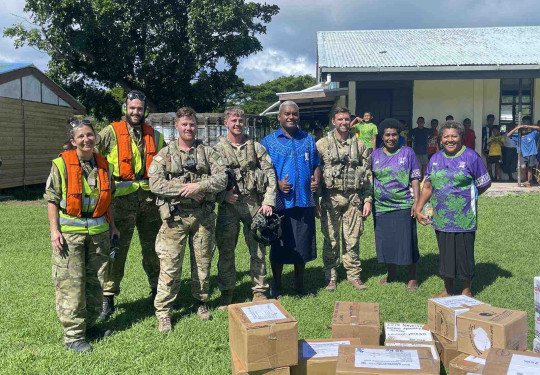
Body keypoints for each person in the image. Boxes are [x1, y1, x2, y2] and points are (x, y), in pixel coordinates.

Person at [148, 107, 227, 331]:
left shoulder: (208, 152)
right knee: (170, 266)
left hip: (203, 216)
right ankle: (164, 312)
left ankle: (201, 302)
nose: (189, 128)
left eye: (192, 124)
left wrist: (200, 186)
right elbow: (155, 183)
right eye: (184, 124)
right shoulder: (166, 154)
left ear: (197, 126)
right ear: (177, 126)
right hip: (175, 218)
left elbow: (222, 178)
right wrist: (187, 189)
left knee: (202, 264)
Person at [44, 119, 119, 352]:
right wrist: (54, 231)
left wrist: (113, 226)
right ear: (73, 141)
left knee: (95, 283)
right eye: (81, 137)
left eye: (90, 135)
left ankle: (89, 326)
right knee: (71, 285)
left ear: (95, 137)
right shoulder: (61, 164)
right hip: (70, 236)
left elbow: (108, 200)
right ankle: (73, 336)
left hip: (98, 235)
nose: (86, 139)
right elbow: (52, 199)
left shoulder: (104, 164)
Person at [96, 90, 165, 320]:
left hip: (149, 203)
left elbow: (165, 163)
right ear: (125, 108)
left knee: (155, 249)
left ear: (145, 110)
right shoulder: (110, 132)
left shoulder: (155, 135)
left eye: (140, 108)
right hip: (120, 203)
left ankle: (157, 293)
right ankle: (108, 298)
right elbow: (91, 154)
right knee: (116, 251)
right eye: (132, 108)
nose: (136, 112)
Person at [416, 120, 491, 298]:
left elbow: (484, 183)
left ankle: (466, 290)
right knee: (445, 254)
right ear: (440, 139)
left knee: (464, 254)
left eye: (454, 136)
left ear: (460, 138)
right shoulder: (435, 158)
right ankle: (448, 289)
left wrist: (469, 196)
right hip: (441, 218)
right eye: (446, 136)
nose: (450, 140)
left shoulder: (471, 157)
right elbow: (427, 187)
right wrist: (418, 208)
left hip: (464, 217)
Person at [214, 106, 277, 308]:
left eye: (241, 120)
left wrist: (268, 202)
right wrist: (223, 196)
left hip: (253, 205)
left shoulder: (256, 148)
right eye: (233, 120)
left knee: (258, 249)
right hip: (228, 207)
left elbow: (270, 175)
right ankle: (226, 291)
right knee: (226, 251)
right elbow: (208, 179)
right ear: (226, 123)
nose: (237, 124)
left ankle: (259, 290)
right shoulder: (216, 150)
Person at [261, 101, 321, 298]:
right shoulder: (268, 142)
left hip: (304, 200)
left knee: (302, 244)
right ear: (279, 117)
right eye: (287, 114)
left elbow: (316, 164)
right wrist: (277, 184)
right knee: (279, 244)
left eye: (295, 114)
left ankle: (299, 285)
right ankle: (276, 286)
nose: (291, 117)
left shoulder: (308, 139)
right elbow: (261, 171)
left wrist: (316, 179)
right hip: (280, 203)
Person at [316, 107, 372, 292]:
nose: (344, 123)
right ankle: (330, 276)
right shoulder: (322, 144)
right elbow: (315, 174)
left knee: (353, 239)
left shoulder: (360, 145)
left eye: (347, 119)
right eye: (340, 119)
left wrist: (368, 199)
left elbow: (367, 174)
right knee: (331, 239)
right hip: (330, 199)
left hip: (353, 198)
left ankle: (354, 275)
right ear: (333, 121)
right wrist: (315, 200)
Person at [371, 118, 421, 291]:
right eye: (387, 135)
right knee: (387, 242)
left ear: (399, 136)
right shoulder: (375, 155)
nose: (391, 138)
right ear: (382, 136)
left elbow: (415, 177)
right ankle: (391, 274)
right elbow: (370, 179)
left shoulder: (408, 153)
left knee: (407, 242)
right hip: (381, 207)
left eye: (394, 134)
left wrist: (417, 202)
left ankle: (412, 278)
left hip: (403, 205)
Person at [506, 117, 540, 187]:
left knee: (530, 167)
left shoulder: (532, 133)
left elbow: (538, 128)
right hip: (523, 154)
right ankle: (524, 179)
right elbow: (508, 135)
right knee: (523, 167)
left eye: (527, 123)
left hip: (532, 153)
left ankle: (527, 182)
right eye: (524, 123)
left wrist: (528, 126)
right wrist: (517, 127)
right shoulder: (518, 136)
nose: (525, 127)